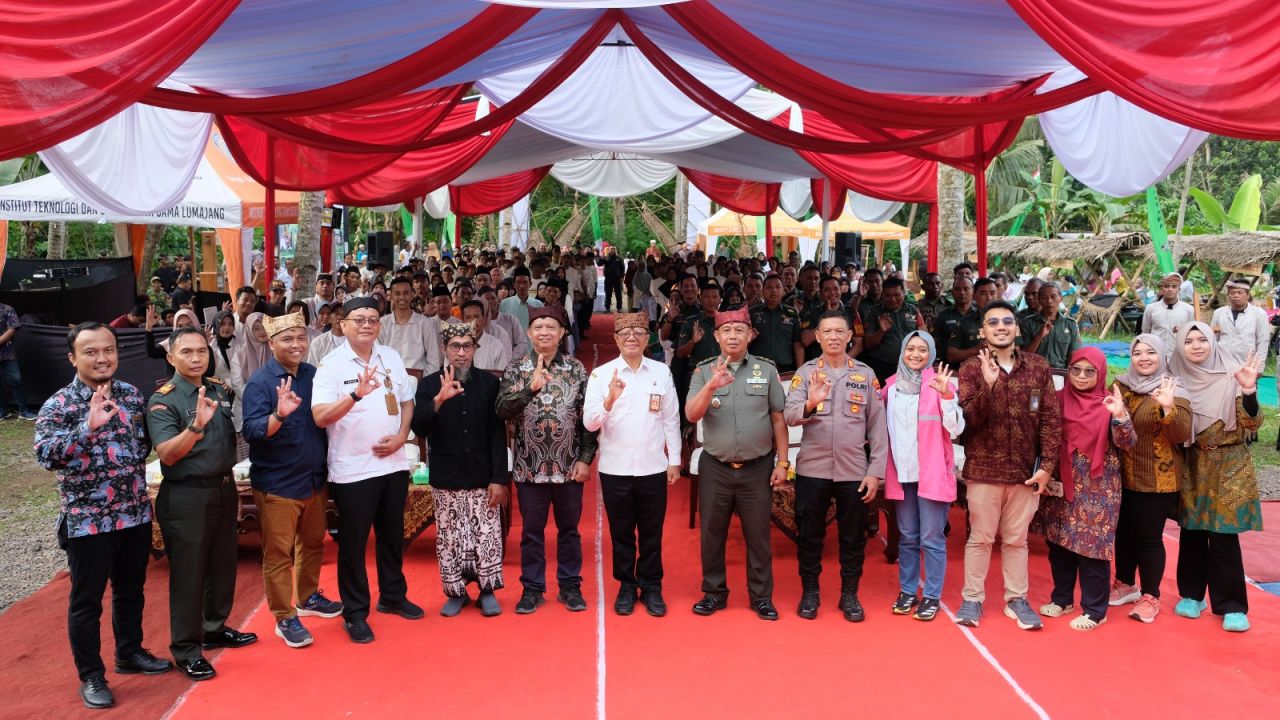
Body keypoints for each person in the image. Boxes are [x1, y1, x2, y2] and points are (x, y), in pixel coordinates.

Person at [35, 322, 173, 709]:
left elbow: (144, 446)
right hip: (88, 522)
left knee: (131, 591)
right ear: (72, 358)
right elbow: (45, 455)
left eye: (108, 350)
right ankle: (92, 675)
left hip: (134, 513)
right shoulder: (59, 404)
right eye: (91, 352)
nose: (102, 358)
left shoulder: (130, 395)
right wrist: (87, 428)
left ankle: (129, 653)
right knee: (87, 602)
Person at [145, 327, 256, 681]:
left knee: (223, 565)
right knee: (189, 576)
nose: (196, 358)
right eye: (187, 352)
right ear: (171, 357)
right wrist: (194, 427)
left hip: (222, 489)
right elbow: (167, 454)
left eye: (201, 351)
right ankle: (186, 649)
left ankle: (213, 628)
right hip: (186, 495)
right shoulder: (164, 399)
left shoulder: (219, 389)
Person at [311, 297, 420, 644]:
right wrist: (355, 395)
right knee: (354, 543)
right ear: (343, 324)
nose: (367, 325)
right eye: (359, 319)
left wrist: (402, 437)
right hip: (353, 469)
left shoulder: (390, 357)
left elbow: (406, 401)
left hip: (393, 463)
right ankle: (355, 612)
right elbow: (320, 416)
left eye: (373, 319)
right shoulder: (331, 365)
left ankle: (393, 595)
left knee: (392, 535)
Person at [954, 301, 1061, 630]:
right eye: (993, 322)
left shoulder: (1038, 367)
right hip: (984, 471)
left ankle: (1017, 599)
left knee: (1017, 540)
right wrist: (988, 385)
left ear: (1016, 328)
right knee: (980, 539)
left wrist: (1047, 467)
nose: (1000, 327)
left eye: (1006, 321)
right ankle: (972, 599)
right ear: (982, 332)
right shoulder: (971, 369)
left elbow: (1050, 419)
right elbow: (970, 420)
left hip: (1025, 473)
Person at [241, 313, 342, 649]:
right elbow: (252, 431)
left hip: (314, 478)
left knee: (313, 543)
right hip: (278, 483)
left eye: (301, 337)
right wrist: (278, 415)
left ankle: (308, 597)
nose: (296, 345)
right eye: (287, 339)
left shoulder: (315, 375)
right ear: (272, 344)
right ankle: (284, 617)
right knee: (279, 553)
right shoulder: (260, 383)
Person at [784, 310, 888, 622]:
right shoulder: (806, 373)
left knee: (853, 537)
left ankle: (849, 594)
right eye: (826, 332)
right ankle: (810, 592)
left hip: (853, 470)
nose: (833, 337)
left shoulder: (865, 375)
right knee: (809, 535)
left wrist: (875, 472)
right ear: (817, 337)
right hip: (812, 470)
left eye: (839, 331)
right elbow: (790, 416)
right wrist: (810, 402)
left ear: (849, 337)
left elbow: (878, 427)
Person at [686, 307, 789, 621]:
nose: (733, 336)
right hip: (716, 467)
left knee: (758, 536)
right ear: (717, 336)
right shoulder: (703, 371)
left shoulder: (766, 370)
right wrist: (711, 386)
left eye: (739, 330)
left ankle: (761, 597)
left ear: (750, 335)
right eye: (727, 331)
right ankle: (713, 593)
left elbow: (778, 419)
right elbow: (692, 414)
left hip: (757, 467)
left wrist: (783, 463)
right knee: (711, 533)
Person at [496, 305, 598, 614]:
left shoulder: (576, 369)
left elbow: (588, 419)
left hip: (569, 466)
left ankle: (570, 585)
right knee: (531, 532)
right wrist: (530, 389)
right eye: (538, 327)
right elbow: (501, 410)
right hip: (530, 466)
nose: (544, 332)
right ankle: (532, 588)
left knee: (569, 530)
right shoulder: (516, 369)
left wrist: (585, 458)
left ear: (562, 332)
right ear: (529, 333)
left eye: (551, 327)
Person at [1028, 348, 1135, 631]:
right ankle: (1062, 599)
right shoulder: (1057, 400)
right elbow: (1041, 437)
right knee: (1059, 545)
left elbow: (1127, 443)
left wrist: (1120, 415)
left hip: (1098, 489)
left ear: (1101, 373)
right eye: (1076, 369)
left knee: (1092, 550)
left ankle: (1095, 610)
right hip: (1060, 484)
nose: (1081, 376)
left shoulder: (1109, 403)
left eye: (1090, 371)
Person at [584, 313, 682, 617]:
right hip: (615, 469)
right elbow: (589, 423)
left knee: (652, 531)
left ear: (647, 338)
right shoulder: (601, 375)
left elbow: (671, 419)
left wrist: (675, 461)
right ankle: (627, 585)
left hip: (653, 467)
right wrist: (609, 401)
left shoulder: (661, 372)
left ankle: (651, 586)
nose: (631, 337)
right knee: (622, 533)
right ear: (616, 339)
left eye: (638, 332)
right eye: (625, 333)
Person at [1168, 322, 1264, 632]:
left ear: (1212, 342)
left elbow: (1252, 424)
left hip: (1229, 462)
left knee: (1224, 534)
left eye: (1202, 340)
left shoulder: (1231, 375)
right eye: (1189, 341)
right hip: (1193, 462)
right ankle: (1192, 595)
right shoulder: (1174, 378)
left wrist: (1248, 391)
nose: (1196, 346)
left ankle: (1232, 605)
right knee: (1192, 530)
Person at [412, 322, 508, 617]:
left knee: (486, 535)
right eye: (456, 346)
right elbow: (419, 427)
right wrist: (438, 401)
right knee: (450, 538)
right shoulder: (429, 385)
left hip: (482, 475)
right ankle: (456, 592)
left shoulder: (489, 384)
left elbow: (498, 434)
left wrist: (499, 479)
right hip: (447, 475)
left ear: (475, 349)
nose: (462, 353)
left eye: (468, 346)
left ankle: (487, 591)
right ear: (445, 349)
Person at [880, 331, 962, 622]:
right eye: (910, 348)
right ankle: (907, 591)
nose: (915, 354)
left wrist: (947, 396)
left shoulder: (940, 383)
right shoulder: (889, 388)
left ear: (931, 354)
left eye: (922, 350)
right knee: (908, 537)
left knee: (932, 537)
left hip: (932, 473)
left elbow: (955, 429)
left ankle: (932, 596)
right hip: (902, 474)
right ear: (902, 351)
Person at [1110, 334, 1192, 623]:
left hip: (1158, 478)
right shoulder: (1121, 385)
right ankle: (1125, 583)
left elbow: (1181, 434)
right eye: (1137, 353)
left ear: (1161, 356)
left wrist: (1168, 408)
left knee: (1148, 537)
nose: (1143, 358)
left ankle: (1150, 596)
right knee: (1123, 532)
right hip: (1123, 474)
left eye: (1150, 352)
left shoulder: (1172, 387)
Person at [860, 278, 924, 382]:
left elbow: (925, 336)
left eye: (897, 295)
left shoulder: (913, 311)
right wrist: (881, 331)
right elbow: (868, 344)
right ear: (883, 295)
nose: (892, 299)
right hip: (882, 367)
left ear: (904, 293)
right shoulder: (874, 313)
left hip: (910, 367)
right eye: (888, 295)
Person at [379, 277, 442, 378]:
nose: (402, 297)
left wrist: (424, 383)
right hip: (388, 380)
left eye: (406, 293)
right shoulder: (382, 323)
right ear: (391, 296)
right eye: (397, 294)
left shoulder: (425, 323)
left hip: (419, 380)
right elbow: (376, 357)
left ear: (412, 294)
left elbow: (433, 361)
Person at [1018, 282, 1081, 369]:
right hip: (1034, 372)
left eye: (1053, 297)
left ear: (1061, 298)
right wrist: (1039, 336)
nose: (1049, 301)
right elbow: (1024, 356)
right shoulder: (1027, 323)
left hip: (1060, 372)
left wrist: (1066, 373)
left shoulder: (1070, 324)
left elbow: (1073, 355)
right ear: (1039, 300)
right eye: (1044, 297)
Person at [748, 275, 804, 373]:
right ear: (763, 291)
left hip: (785, 368)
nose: (774, 290)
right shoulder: (752, 313)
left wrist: (800, 370)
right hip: (758, 369)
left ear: (783, 291)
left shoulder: (791, 313)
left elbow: (797, 343)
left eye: (778, 287)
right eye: (769, 287)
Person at [1211, 279, 1268, 364]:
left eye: (1239, 293)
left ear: (1248, 295)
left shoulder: (1259, 314)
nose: (1236, 295)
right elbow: (1213, 338)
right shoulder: (1219, 313)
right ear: (1228, 295)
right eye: (1232, 293)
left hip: (1248, 363)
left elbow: (1263, 341)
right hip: (1222, 363)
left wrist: (1259, 366)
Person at [1142, 273, 1196, 355]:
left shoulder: (1188, 309)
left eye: (1174, 286)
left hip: (1179, 354)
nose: (1170, 289)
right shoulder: (1151, 308)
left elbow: (1191, 333)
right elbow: (1146, 332)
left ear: (1179, 289)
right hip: (1156, 353)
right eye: (1166, 286)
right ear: (1161, 289)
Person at [0, 301, 36, 419]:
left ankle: (24, 411)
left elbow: (12, 329)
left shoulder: (7, 309)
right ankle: (2, 411)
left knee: (16, 379)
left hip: (8, 353)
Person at [935, 277, 982, 366]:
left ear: (973, 291)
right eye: (957, 289)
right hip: (949, 367)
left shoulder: (980, 315)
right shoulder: (943, 316)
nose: (962, 292)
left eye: (966, 289)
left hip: (976, 367)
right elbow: (936, 342)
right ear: (952, 292)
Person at [461, 300, 511, 373]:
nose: (472, 321)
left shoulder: (496, 346)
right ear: (463, 320)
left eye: (476, 316)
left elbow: (502, 375)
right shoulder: (454, 345)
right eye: (468, 317)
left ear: (483, 319)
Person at [498, 267, 544, 333]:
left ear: (530, 284)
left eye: (525, 282)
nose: (522, 286)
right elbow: (501, 327)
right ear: (514, 284)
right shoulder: (505, 304)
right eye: (518, 282)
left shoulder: (538, 305)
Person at [603, 248, 625, 312]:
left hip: (617, 279)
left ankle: (619, 307)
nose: (612, 250)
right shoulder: (606, 257)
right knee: (608, 294)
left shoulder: (619, 258)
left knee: (618, 294)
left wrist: (622, 276)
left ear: (615, 251)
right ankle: (607, 308)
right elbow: (599, 263)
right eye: (611, 249)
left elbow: (622, 268)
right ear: (609, 251)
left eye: (614, 249)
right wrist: (602, 257)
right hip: (608, 278)